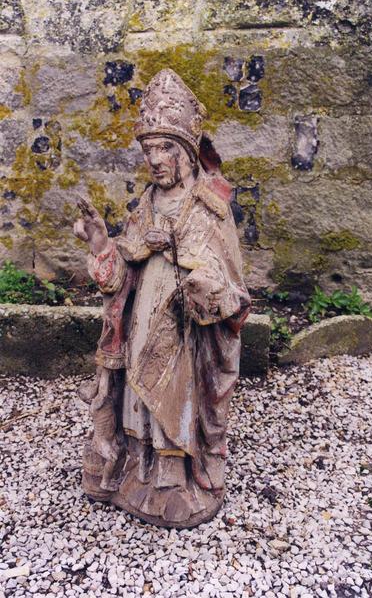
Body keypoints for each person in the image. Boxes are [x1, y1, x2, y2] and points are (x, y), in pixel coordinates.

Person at [74, 69, 250, 528]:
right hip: (140, 323)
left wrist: (180, 258)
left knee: (174, 393)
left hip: (184, 328)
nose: (154, 160)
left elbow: (226, 281)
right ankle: (138, 465)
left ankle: (173, 477)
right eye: (148, 150)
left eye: (165, 148)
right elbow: (118, 280)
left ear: (188, 154)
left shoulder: (208, 207)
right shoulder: (146, 205)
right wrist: (100, 246)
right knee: (135, 394)